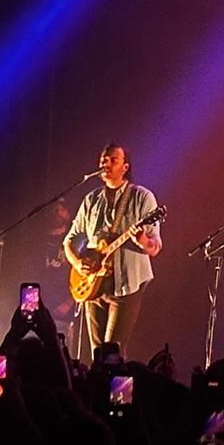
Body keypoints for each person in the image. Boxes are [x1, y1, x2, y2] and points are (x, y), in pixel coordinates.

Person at [63, 143, 162, 361]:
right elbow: (69, 240)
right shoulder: (91, 200)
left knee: (113, 352)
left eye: (112, 160)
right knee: (97, 352)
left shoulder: (142, 198)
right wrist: (79, 264)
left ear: (125, 167)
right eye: (103, 160)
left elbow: (155, 247)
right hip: (93, 285)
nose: (105, 164)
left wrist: (142, 240)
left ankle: (118, 394)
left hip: (127, 284)